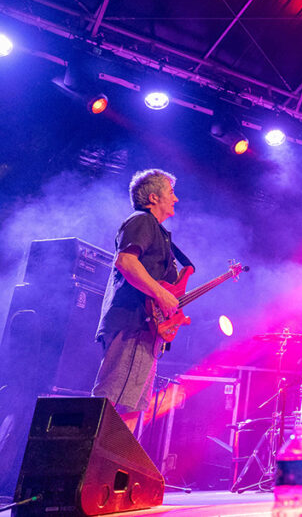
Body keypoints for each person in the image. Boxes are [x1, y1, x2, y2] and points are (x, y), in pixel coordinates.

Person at [93, 169, 191, 431]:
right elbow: (125, 261)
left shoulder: (157, 231)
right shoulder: (142, 221)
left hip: (146, 330)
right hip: (133, 324)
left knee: (130, 410)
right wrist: (161, 294)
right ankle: (88, 466)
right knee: (112, 404)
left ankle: (112, 466)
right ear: (153, 197)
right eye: (171, 192)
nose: (176, 199)